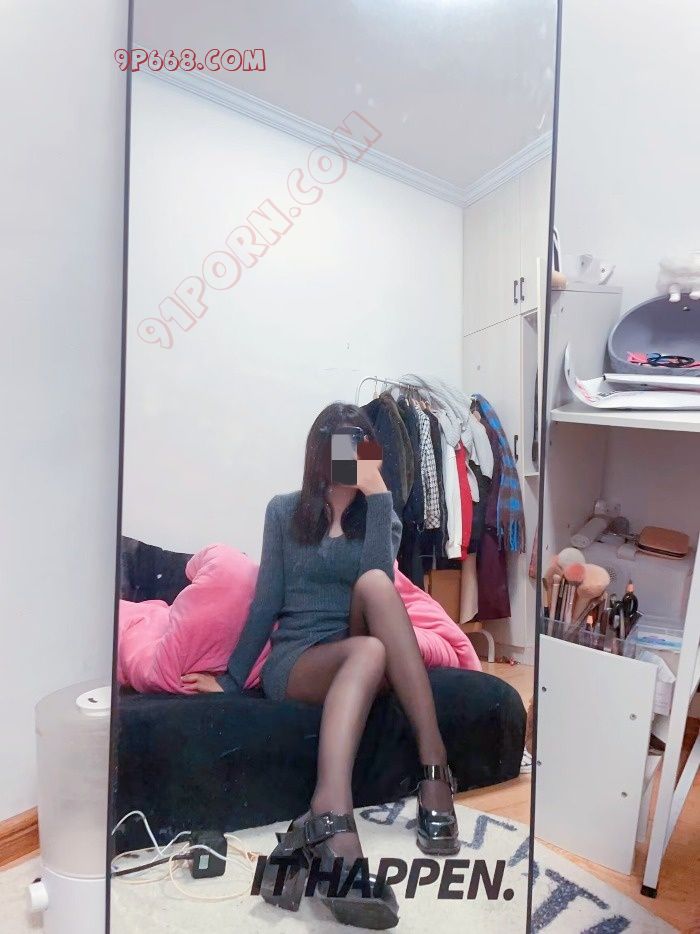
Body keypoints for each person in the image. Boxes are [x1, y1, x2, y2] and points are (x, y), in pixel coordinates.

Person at [183, 402, 458, 929]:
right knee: (370, 650)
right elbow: (267, 601)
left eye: (361, 444)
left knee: (375, 590)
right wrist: (234, 678)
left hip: (360, 645)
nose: (352, 455)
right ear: (319, 453)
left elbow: (381, 585)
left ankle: (426, 767)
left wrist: (379, 497)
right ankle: (346, 805)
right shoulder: (283, 511)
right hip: (301, 658)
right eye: (340, 444)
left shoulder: (379, 514)